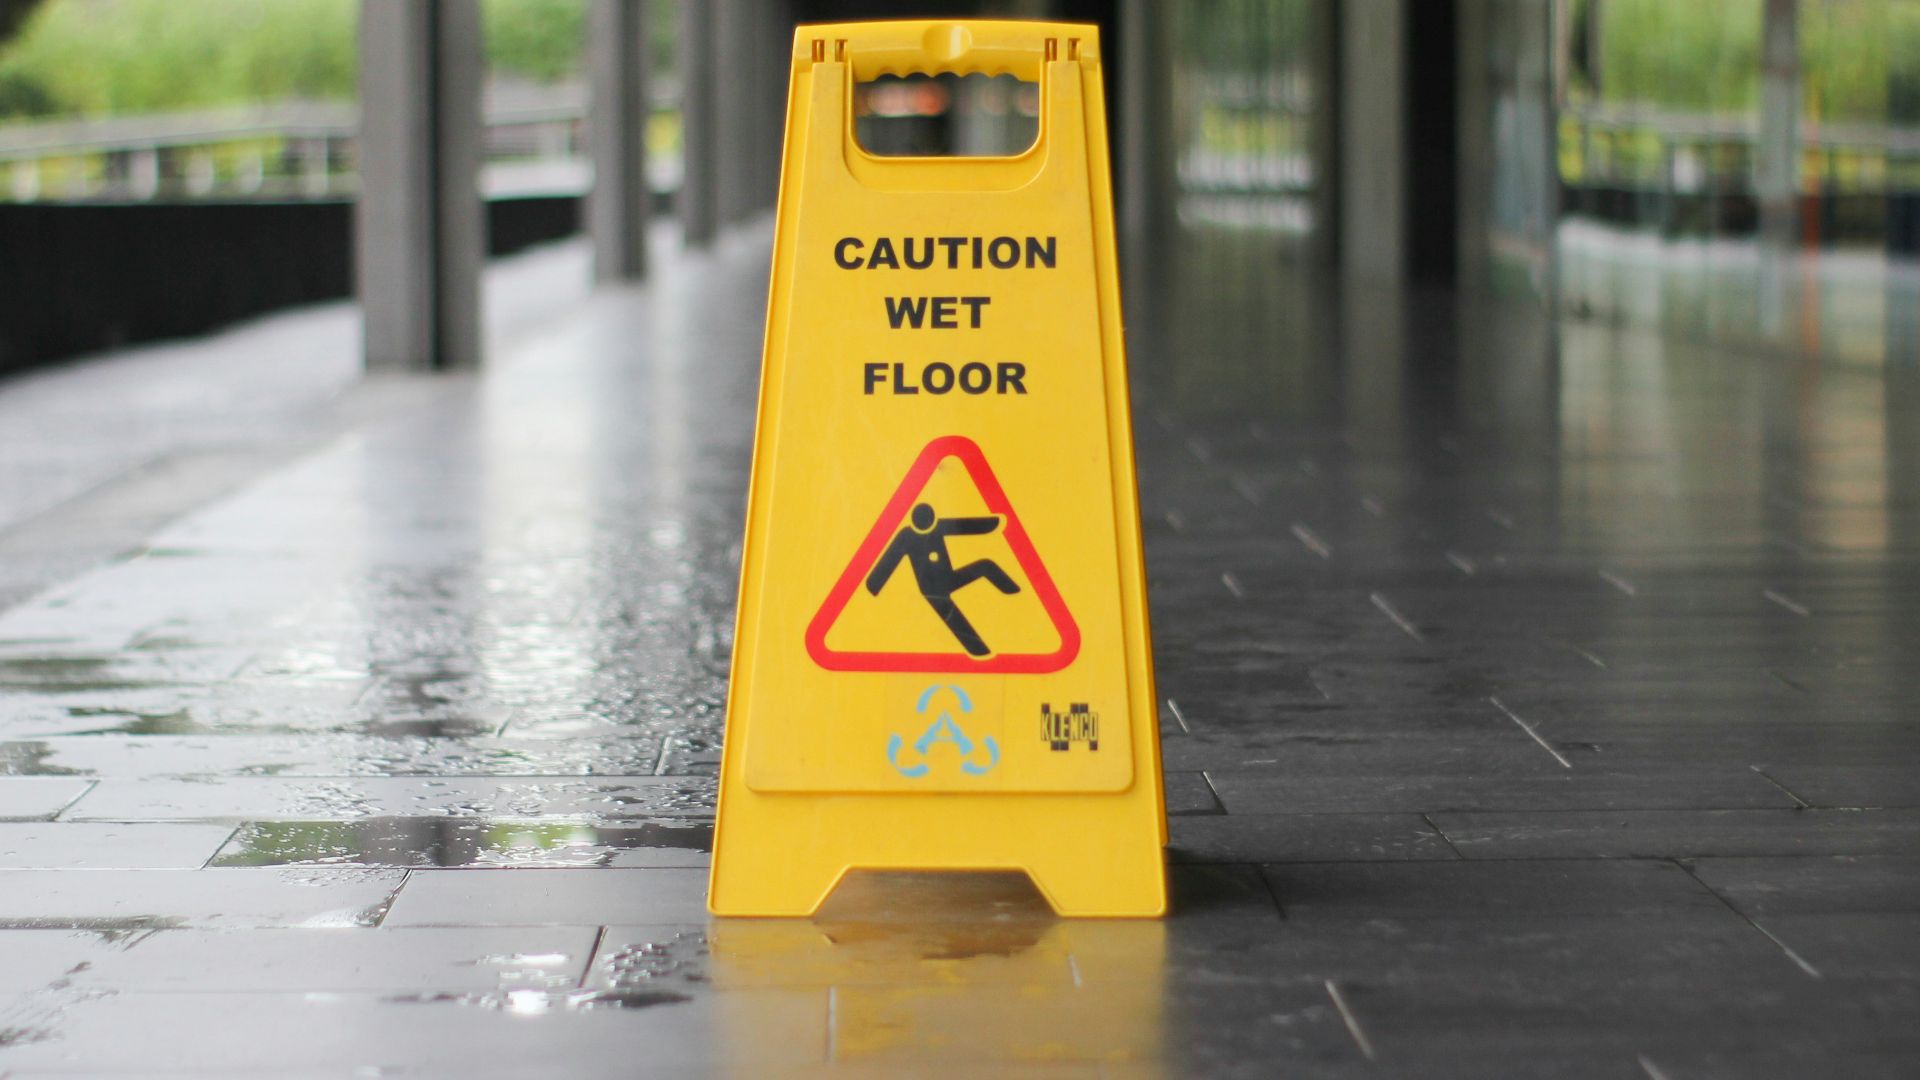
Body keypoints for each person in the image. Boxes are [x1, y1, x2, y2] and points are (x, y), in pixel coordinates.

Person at [865, 503, 1020, 656]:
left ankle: (1014, 593)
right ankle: (980, 652)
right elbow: (889, 561)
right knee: (956, 621)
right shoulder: (906, 536)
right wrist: (874, 585)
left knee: (985, 566)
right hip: (931, 589)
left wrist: (993, 524)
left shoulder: (938, 526)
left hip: (949, 578)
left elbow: (967, 526)